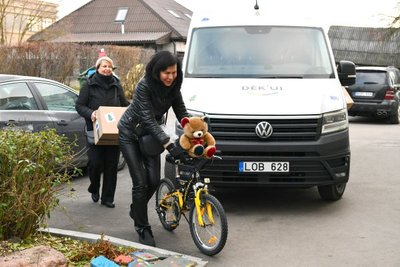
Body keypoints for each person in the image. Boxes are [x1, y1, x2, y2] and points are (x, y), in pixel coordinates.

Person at [118, 51, 189, 246]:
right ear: (157, 72)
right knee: (140, 183)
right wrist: (169, 144)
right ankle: (142, 227)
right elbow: (148, 119)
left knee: (154, 181)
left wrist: (193, 128)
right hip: (130, 133)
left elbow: (181, 111)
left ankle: (136, 209)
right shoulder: (144, 86)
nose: (171, 77)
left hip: (150, 136)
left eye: (174, 72)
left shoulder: (174, 86)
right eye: (166, 73)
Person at [76, 55, 130, 208]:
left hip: (113, 131)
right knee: (95, 163)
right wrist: (91, 113)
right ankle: (94, 186)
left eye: (109, 67)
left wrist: (130, 110)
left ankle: (107, 198)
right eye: (104, 66)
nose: (107, 69)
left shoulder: (116, 85)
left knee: (111, 166)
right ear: (98, 68)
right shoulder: (88, 85)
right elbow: (80, 106)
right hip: (94, 130)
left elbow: (124, 104)